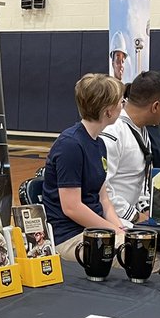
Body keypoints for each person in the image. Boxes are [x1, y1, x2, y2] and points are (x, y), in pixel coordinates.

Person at [41, 73, 128, 259]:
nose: (123, 106)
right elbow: (72, 207)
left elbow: (103, 199)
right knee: (138, 256)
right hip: (68, 237)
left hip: (95, 231)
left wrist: (119, 228)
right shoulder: (70, 146)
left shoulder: (99, 144)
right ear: (108, 111)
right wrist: (114, 231)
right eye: (121, 102)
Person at [102, 70, 160, 222]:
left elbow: (140, 180)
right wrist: (135, 217)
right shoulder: (113, 131)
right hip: (111, 219)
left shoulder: (141, 130)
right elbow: (102, 188)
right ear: (155, 106)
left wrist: (146, 208)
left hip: (130, 214)